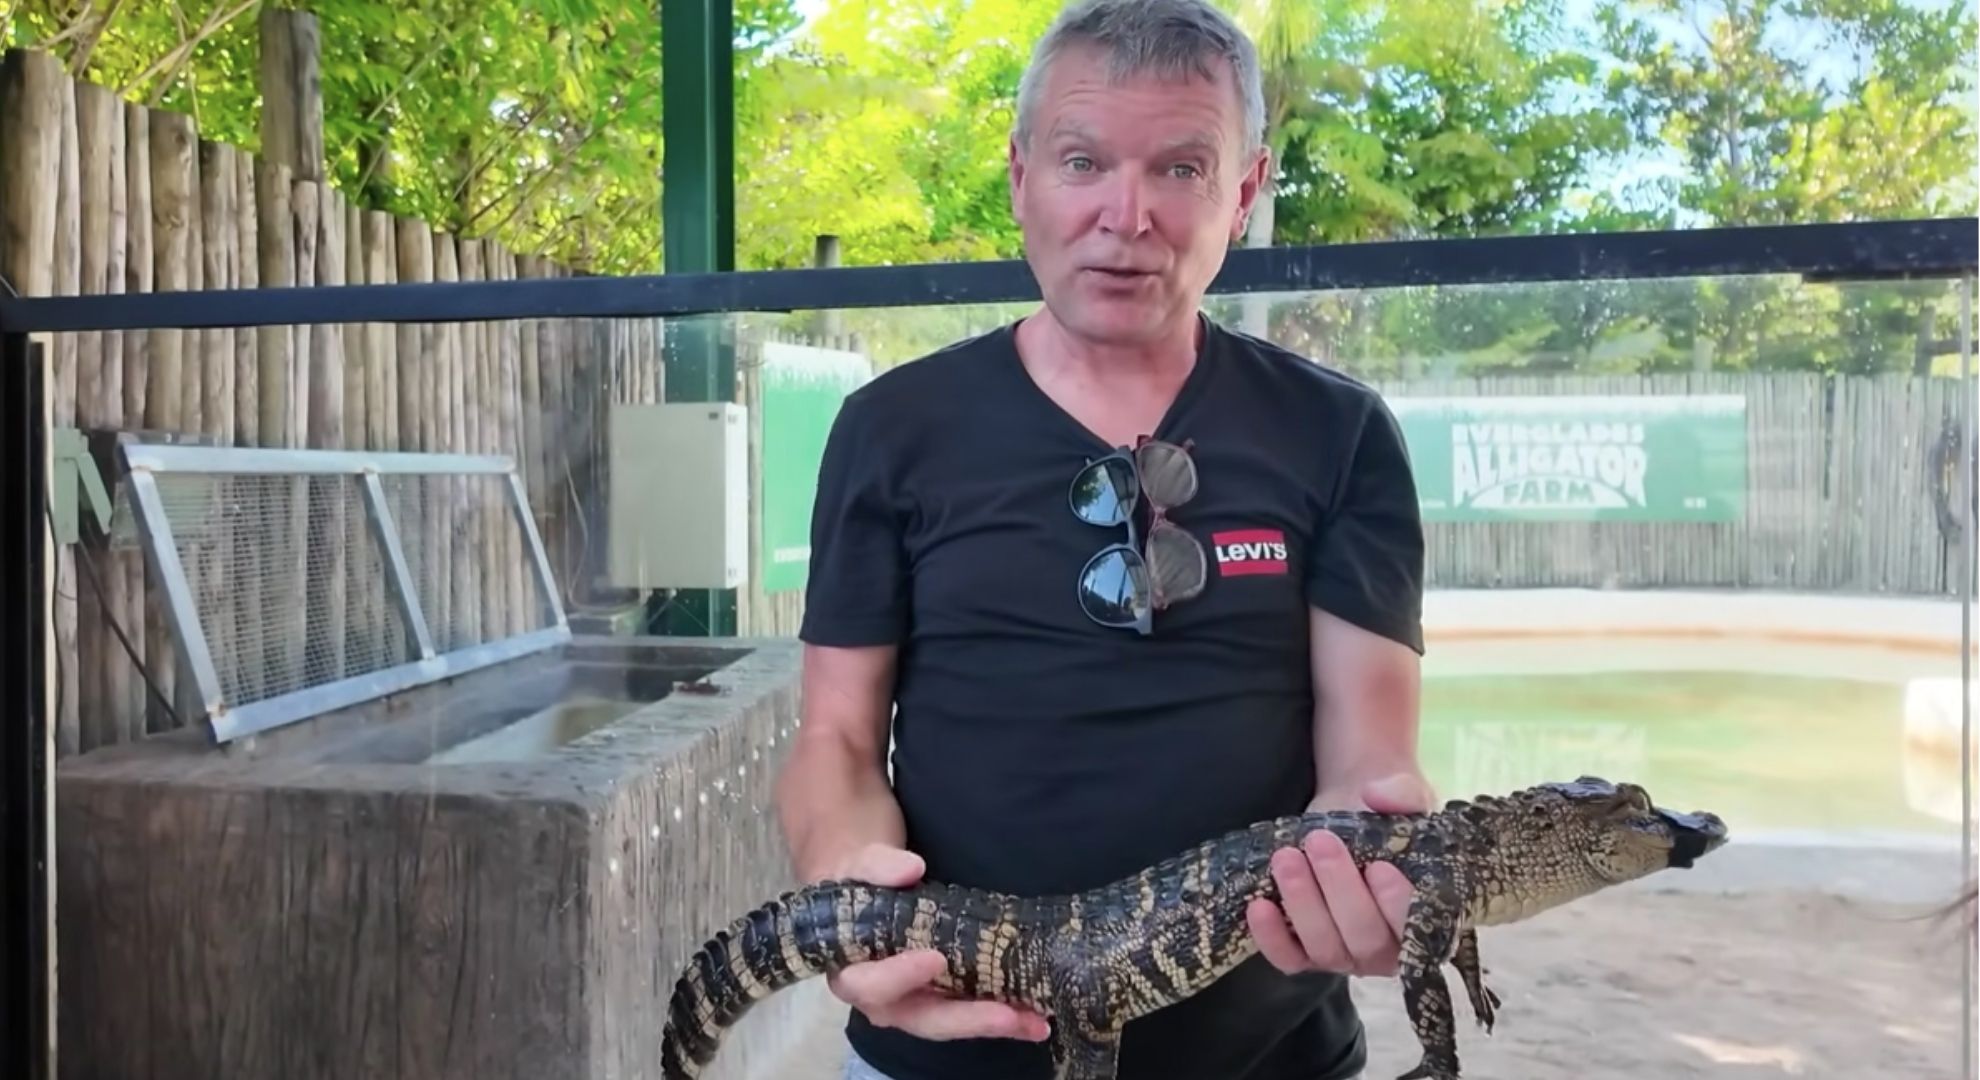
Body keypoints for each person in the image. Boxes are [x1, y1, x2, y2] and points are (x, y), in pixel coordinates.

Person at [773, 1, 1432, 1077]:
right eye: (1084, 161)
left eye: (1181, 168)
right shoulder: (893, 428)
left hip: (1273, 1055)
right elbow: (836, 741)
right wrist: (850, 888)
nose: (1127, 215)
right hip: (941, 1047)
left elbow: (1368, 753)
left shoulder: (1339, 432)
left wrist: (1366, 857)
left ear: (1246, 188)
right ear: (1021, 171)